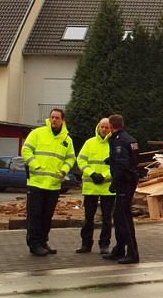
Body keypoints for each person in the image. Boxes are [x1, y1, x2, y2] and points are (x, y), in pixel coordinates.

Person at [21, 108, 76, 256]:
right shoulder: (37, 133)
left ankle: (43, 241)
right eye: (52, 117)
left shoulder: (67, 140)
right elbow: (26, 150)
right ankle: (34, 244)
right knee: (35, 214)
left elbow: (71, 158)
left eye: (57, 118)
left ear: (62, 120)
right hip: (37, 183)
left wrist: (63, 170)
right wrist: (35, 165)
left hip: (53, 184)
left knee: (47, 216)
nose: (54, 120)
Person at [103, 114, 140, 264]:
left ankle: (132, 253)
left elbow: (122, 165)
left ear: (112, 127)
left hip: (124, 183)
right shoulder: (129, 139)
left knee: (124, 219)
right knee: (118, 217)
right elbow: (132, 160)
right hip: (128, 181)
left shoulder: (119, 141)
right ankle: (119, 249)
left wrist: (115, 183)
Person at [76, 117, 116, 254]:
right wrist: (92, 174)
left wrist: (104, 176)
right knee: (88, 217)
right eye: (102, 127)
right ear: (98, 127)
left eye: (107, 127)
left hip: (107, 188)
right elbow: (81, 160)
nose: (104, 129)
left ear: (111, 128)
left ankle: (104, 245)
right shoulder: (89, 143)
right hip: (91, 186)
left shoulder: (114, 144)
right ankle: (86, 244)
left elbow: (116, 164)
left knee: (107, 218)